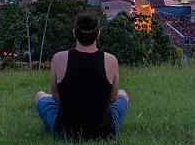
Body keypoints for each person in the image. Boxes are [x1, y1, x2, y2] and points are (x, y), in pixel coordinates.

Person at [34, 11, 129, 140]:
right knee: (123, 94)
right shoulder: (111, 60)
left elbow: (56, 99)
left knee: (40, 96)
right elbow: (112, 99)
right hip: (104, 132)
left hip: (67, 132)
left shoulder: (58, 59)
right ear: (98, 34)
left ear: (74, 33)